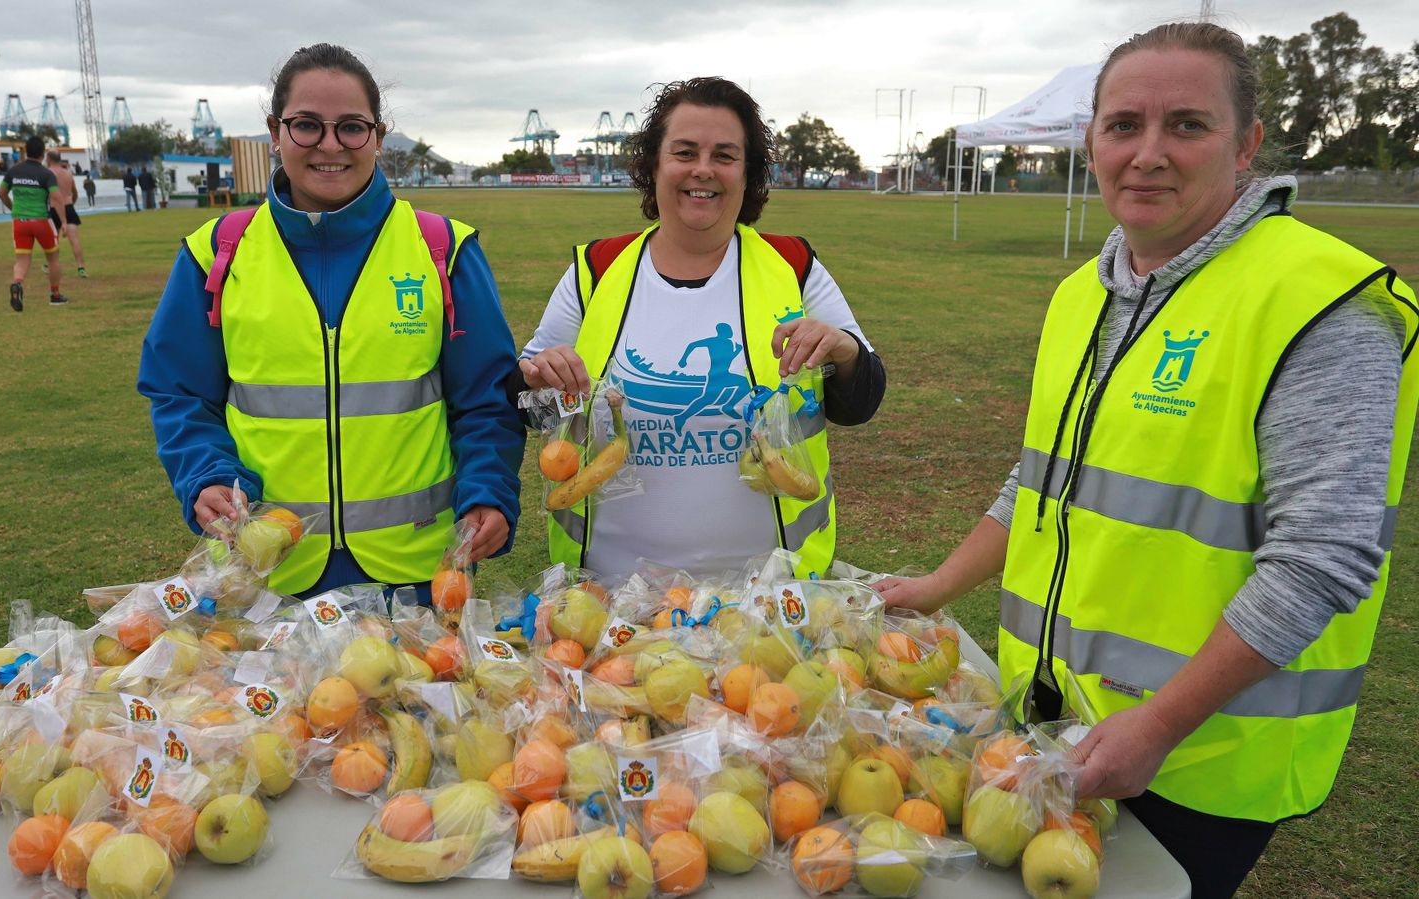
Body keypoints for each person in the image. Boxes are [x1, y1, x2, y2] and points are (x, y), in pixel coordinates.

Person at [870, 23, 1416, 899]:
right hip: (1056, 720)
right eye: (1124, 125)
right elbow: (1043, 482)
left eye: (1187, 126)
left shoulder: (1320, 304)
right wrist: (936, 586)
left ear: (1246, 146)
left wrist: (1160, 723)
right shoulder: (1083, 294)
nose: (1148, 153)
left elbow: (1324, 556)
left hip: (1199, 757)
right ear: (1092, 141)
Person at [138, 43, 525, 602]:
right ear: (275, 132)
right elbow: (178, 394)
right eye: (306, 126)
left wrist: (488, 489)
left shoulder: (443, 249)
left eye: (350, 127)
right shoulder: (217, 252)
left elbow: (488, 399)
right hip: (266, 573)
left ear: (378, 136)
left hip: (416, 573)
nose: (329, 145)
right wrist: (206, 476)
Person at [514, 77, 885, 579]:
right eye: (684, 152)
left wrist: (843, 354)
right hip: (612, 600)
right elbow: (525, 401)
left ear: (748, 172)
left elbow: (861, 400)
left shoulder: (792, 265)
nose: (703, 170)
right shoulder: (597, 271)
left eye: (725, 156)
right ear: (653, 164)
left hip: (772, 602)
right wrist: (538, 377)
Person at [0, 136, 68, 310]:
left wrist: (13, 208)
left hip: (20, 222)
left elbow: (2, 193)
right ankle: (55, 294)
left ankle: (18, 283)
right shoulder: (46, 174)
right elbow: (56, 197)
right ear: (42, 154)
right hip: (42, 220)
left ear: (26, 151)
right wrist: (64, 222)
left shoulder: (13, 171)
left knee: (22, 259)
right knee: (53, 258)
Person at [46, 150, 87, 277]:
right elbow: (75, 193)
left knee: (53, 240)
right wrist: (70, 205)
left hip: (54, 208)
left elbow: (47, 194)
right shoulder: (69, 173)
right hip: (68, 206)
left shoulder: (47, 173)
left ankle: (51, 265)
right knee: (74, 240)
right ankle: (81, 267)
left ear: (48, 159)